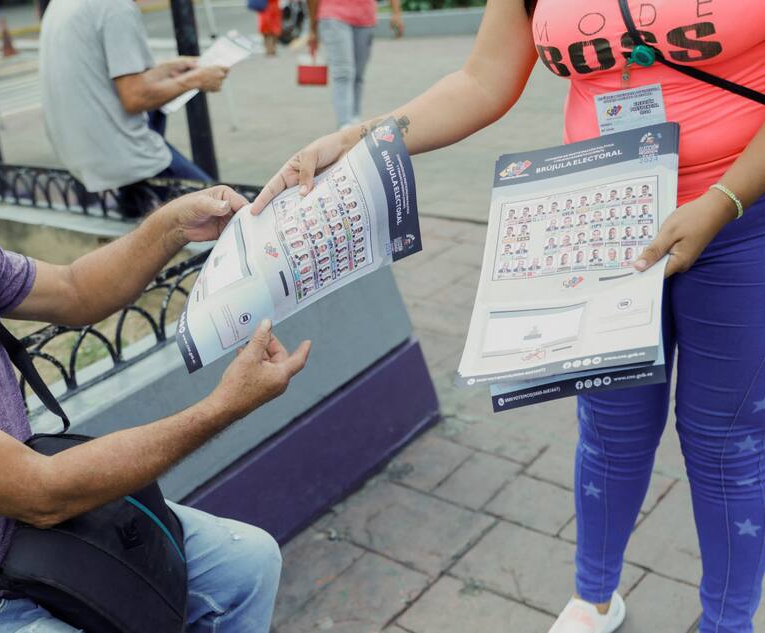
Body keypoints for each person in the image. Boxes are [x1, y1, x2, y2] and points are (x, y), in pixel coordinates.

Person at [251, 1, 765, 631]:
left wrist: (722, 201)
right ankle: (594, 596)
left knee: (726, 444)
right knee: (610, 428)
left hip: (740, 220)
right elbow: (481, 81)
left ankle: (727, 622)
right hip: (601, 222)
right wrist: (358, 140)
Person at [0, 74, 311, 633]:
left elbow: (76, 291)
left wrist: (174, 223)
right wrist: (224, 406)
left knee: (249, 562)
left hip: (43, 540)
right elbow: (43, 492)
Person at [39, 0, 228, 218]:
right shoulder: (116, 7)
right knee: (219, 212)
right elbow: (134, 97)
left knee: (140, 221)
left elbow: (108, 79)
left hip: (81, 149)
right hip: (122, 152)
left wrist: (165, 70)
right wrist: (196, 80)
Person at [307, 0, 404, 129]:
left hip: (365, 18)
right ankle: (345, 125)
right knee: (343, 73)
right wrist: (313, 27)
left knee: (358, 75)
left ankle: (355, 119)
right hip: (333, 16)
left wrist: (396, 13)